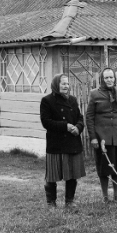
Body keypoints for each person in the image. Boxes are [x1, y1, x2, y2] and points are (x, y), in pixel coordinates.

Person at [86, 67, 117, 202]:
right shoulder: (95, 94)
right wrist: (93, 137)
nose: (109, 80)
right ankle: (105, 196)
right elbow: (89, 117)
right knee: (103, 168)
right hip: (102, 137)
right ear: (102, 79)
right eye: (106, 77)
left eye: (111, 77)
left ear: (115, 78)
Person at [40, 74, 85, 209]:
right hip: (56, 144)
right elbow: (46, 122)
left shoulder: (72, 100)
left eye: (67, 84)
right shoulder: (47, 101)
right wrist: (65, 126)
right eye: (63, 84)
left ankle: (69, 202)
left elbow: (80, 118)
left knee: (71, 174)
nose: (66, 86)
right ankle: (51, 203)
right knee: (52, 175)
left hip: (72, 142)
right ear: (56, 85)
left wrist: (78, 127)